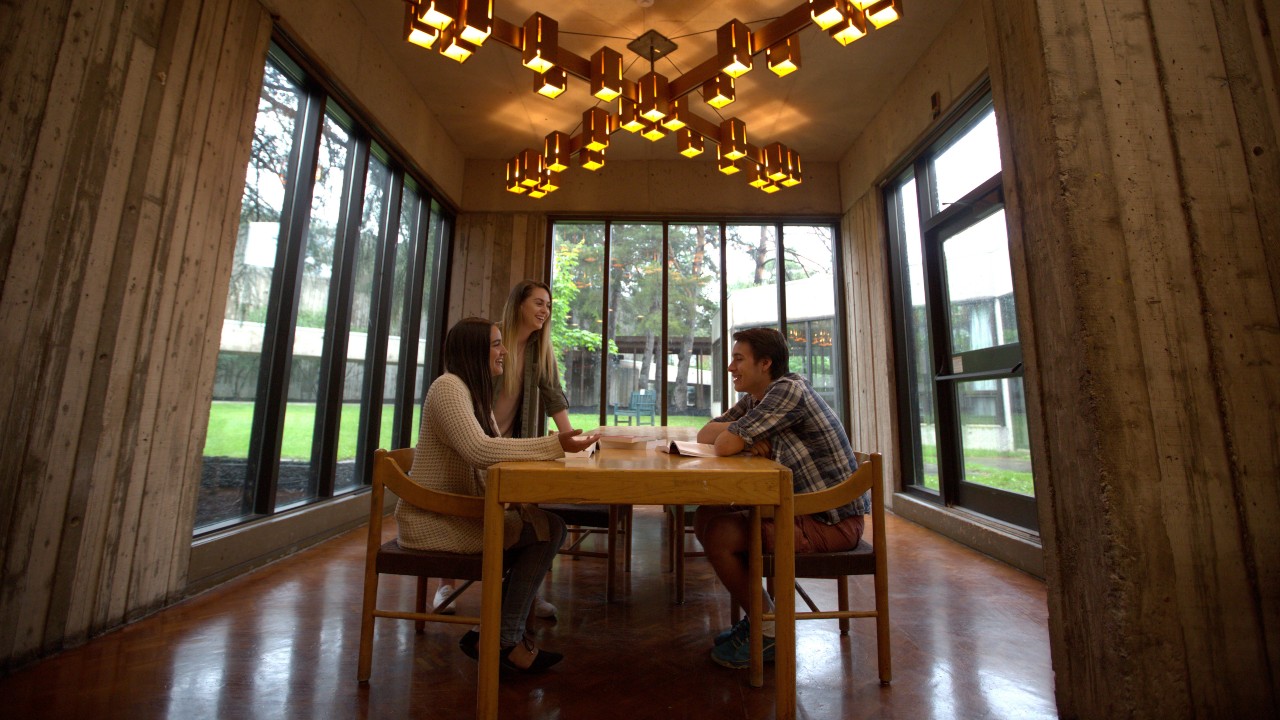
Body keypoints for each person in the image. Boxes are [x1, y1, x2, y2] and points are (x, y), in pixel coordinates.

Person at [397, 317, 599, 673]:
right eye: (495, 344)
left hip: (454, 514)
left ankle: (497, 634)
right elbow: (480, 450)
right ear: (474, 350)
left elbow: (495, 446)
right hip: (433, 521)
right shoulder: (448, 388)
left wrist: (556, 445)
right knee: (548, 529)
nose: (503, 351)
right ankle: (504, 639)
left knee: (547, 526)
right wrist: (555, 444)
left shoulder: (470, 391)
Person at [693, 327, 868, 670]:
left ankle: (769, 630)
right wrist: (741, 438)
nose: (731, 367)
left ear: (766, 363)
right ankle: (761, 617)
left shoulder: (787, 390)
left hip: (829, 520)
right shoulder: (757, 397)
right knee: (707, 513)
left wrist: (737, 438)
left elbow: (724, 443)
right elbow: (706, 434)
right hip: (801, 508)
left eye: (738, 359)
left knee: (719, 533)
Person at [435, 280, 569, 618]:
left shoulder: (540, 349)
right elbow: (463, 390)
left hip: (509, 441)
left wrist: (569, 440)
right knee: (461, 500)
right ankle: (445, 585)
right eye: (538, 302)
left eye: (548, 306)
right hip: (475, 436)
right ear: (519, 304)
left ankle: (525, 595)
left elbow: (553, 396)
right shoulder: (492, 341)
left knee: (528, 512)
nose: (545, 311)